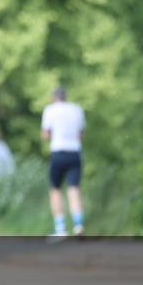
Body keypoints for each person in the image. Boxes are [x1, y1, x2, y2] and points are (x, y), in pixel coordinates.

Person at [41, 86, 86, 237]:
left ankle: (60, 228)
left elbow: (46, 135)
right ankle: (78, 225)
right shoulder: (76, 110)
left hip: (58, 152)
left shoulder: (50, 110)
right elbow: (81, 135)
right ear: (65, 97)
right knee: (74, 189)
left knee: (55, 189)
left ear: (54, 97)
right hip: (74, 152)